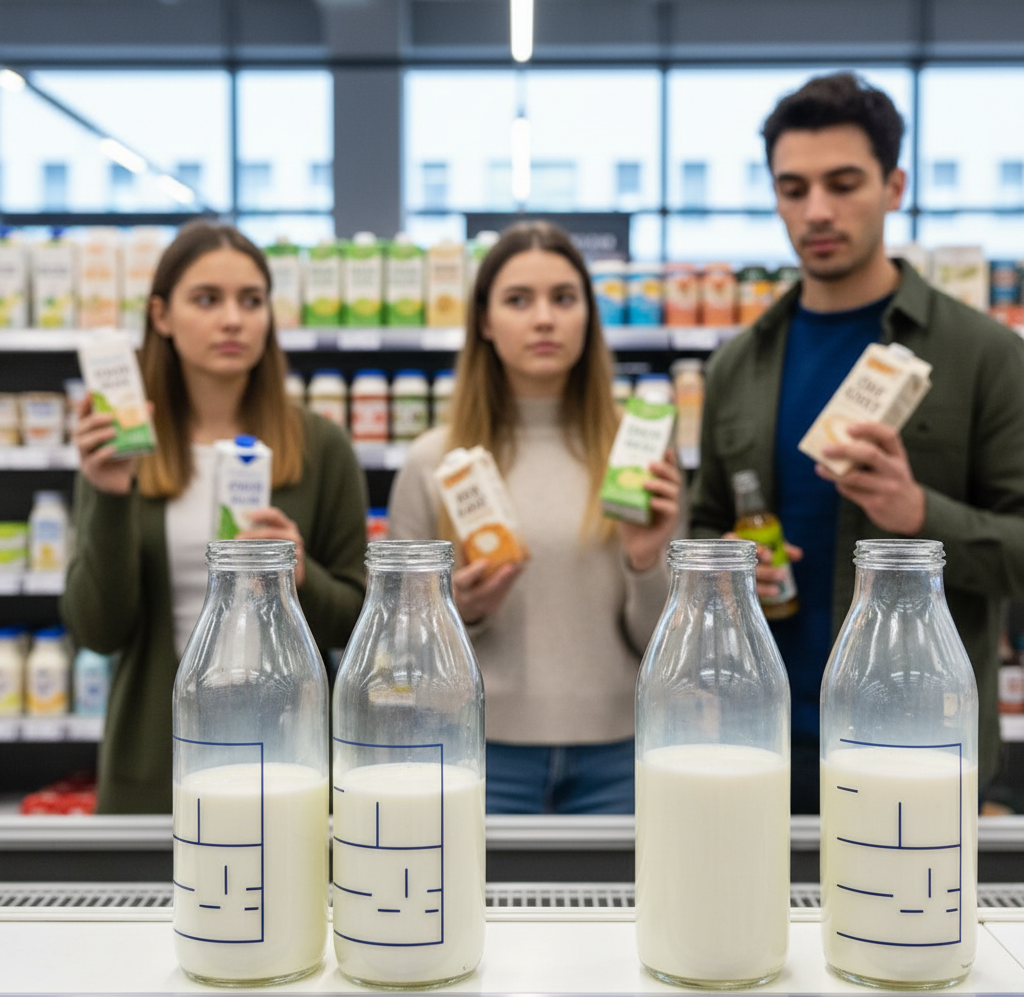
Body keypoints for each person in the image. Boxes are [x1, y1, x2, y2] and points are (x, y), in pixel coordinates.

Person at [689, 71, 1024, 813]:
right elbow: (703, 523)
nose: (817, 211)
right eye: (793, 188)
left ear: (894, 185)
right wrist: (727, 574)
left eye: (844, 183)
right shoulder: (737, 364)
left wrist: (919, 516)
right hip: (758, 740)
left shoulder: (985, 356)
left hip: (919, 743)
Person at [62, 221, 367, 814]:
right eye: (207, 299)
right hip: (155, 763)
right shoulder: (119, 450)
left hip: (289, 761)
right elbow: (97, 630)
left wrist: (301, 575)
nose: (233, 319)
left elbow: (358, 627)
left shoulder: (320, 447)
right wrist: (108, 493)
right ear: (161, 315)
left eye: (251, 301)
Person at [388, 221, 682, 814]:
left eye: (564, 299)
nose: (544, 318)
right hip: (477, 751)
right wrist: (459, 614)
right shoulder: (432, 462)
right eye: (518, 300)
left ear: (588, 319)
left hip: (621, 755)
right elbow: (398, 654)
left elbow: (666, 645)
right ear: (485, 323)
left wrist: (647, 560)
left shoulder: (639, 456)